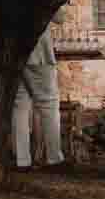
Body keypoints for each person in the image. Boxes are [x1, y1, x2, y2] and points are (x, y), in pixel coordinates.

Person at [11, 29, 67, 172]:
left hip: (12, 51)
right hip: (39, 53)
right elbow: (59, 18)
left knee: (19, 106)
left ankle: (22, 160)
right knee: (49, 105)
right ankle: (54, 159)